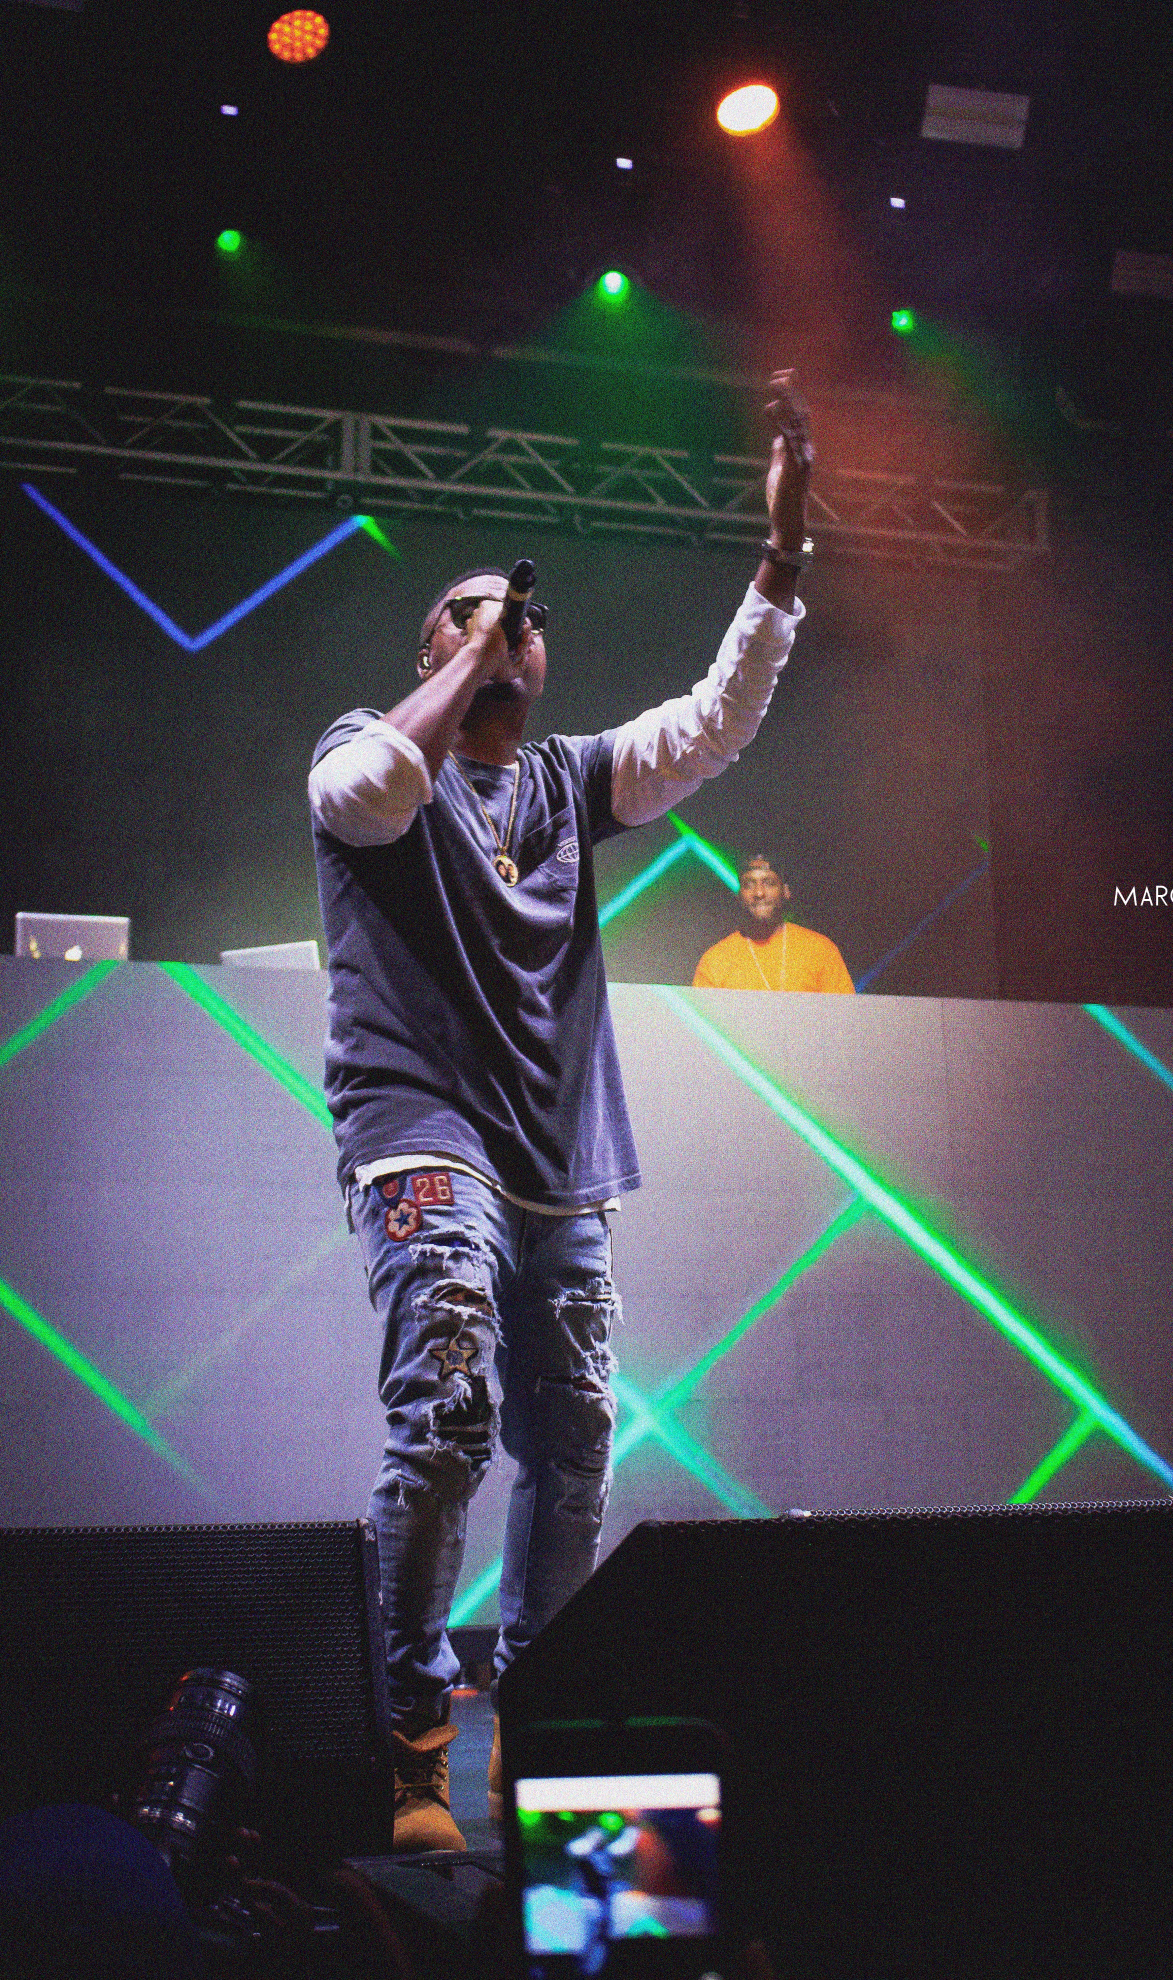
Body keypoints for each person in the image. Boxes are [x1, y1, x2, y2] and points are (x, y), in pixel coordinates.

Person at [307, 373, 814, 1851]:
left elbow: (714, 726)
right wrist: (468, 655)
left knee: (577, 1441)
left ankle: (533, 1721)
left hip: (562, 1164)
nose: (505, 630)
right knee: (446, 1420)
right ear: (431, 653)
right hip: (424, 1136)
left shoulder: (570, 781)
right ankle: (415, 1745)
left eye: (520, 620)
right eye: (469, 618)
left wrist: (782, 558)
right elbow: (367, 794)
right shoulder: (366, 746)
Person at [693, 854, 854, 991]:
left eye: (769, 883)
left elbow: (844, 1014)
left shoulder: (820, 950)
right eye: (749, 885)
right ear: (739, 895)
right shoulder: (715, 960)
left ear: (785, 891)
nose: (759, 893)